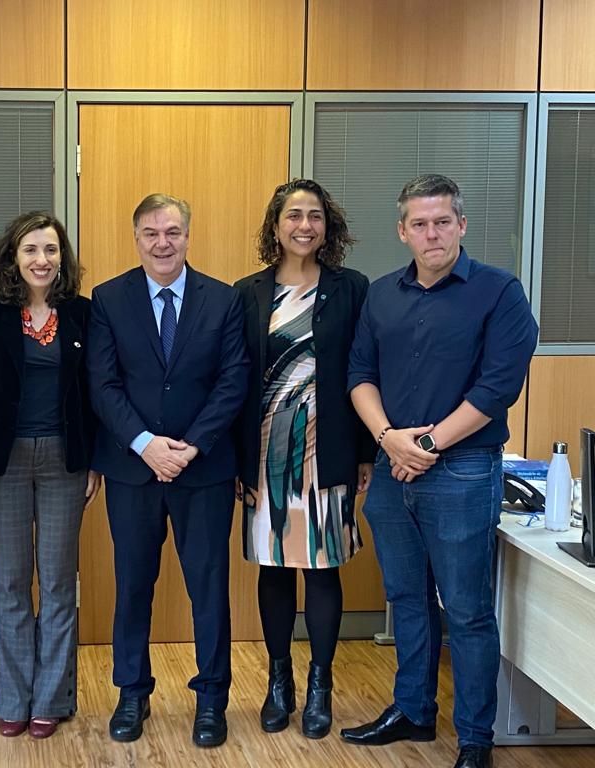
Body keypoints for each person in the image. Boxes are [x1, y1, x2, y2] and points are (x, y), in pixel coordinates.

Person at [343, 174, 538, 768]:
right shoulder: (380, 295)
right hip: (391, 466)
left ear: (462, 225)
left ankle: (476, 737)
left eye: (443, 221)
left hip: (462, 472)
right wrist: (387, 439)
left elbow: (498, 386)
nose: (432, 233)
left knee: (467, 609)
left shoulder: (500, 293)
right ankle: (414, 711)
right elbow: (359, 374)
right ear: (403, 231)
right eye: (420, 224)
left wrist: (424, 443)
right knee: (405, 599)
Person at [87, 193, 249, 748]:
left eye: (173, 232)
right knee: (133, 585)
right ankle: (132, 693)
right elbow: (102, 384)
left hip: (202, 472)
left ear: (188, 235)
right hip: (133, 472)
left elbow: (233, 381)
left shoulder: (223, 300)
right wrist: (145, 445)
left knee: (209, 588)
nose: (163, 242)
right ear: (136, 238)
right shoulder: (108, 298)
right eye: (151, 233)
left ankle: (211, 699)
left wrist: (191, 447)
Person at [234, 179, 376, 740]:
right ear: (275, 226)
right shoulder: (247, 292)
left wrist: (366, 452)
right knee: (272, 568)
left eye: (315, 216)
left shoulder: (352, 289)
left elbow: (368, 371)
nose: (304, 226)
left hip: (329, 451)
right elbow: (235, 381)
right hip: (265, 453)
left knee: (321, 568)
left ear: (328, 226)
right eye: (293, 215)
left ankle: (320, 684)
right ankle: (278, 682)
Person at [0, 212, 101, 740]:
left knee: (60, 583)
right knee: (12, 582)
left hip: (67, 461)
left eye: (50, 250)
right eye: (30, 250)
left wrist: (94, 462)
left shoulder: (83, 314)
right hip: (5, 462)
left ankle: (52, 699)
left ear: (61, 258)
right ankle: (13, 698)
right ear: (12, 257)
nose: (41, 260)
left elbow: (94, 392)